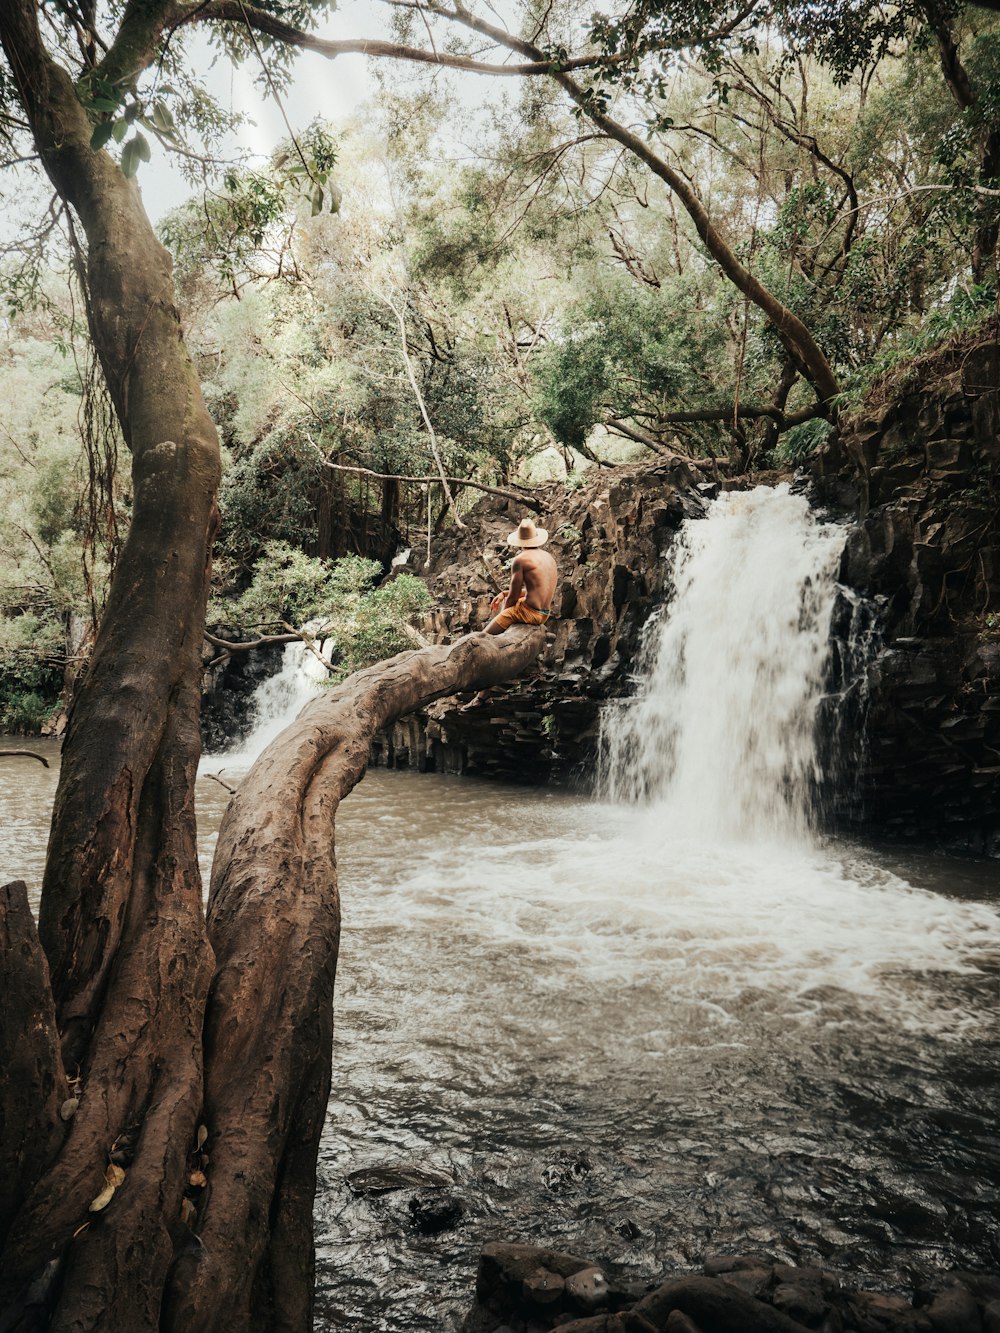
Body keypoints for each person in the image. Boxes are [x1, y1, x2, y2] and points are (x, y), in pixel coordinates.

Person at [484, 516, 558, 634]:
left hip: (530, 613)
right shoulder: (549, 557)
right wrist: (504, 593)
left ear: (520, 541)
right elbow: (539, 589)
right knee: (510, 600)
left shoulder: (520, 560)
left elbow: (514, 596)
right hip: (544, 613)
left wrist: (503, 615)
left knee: (483, 637)